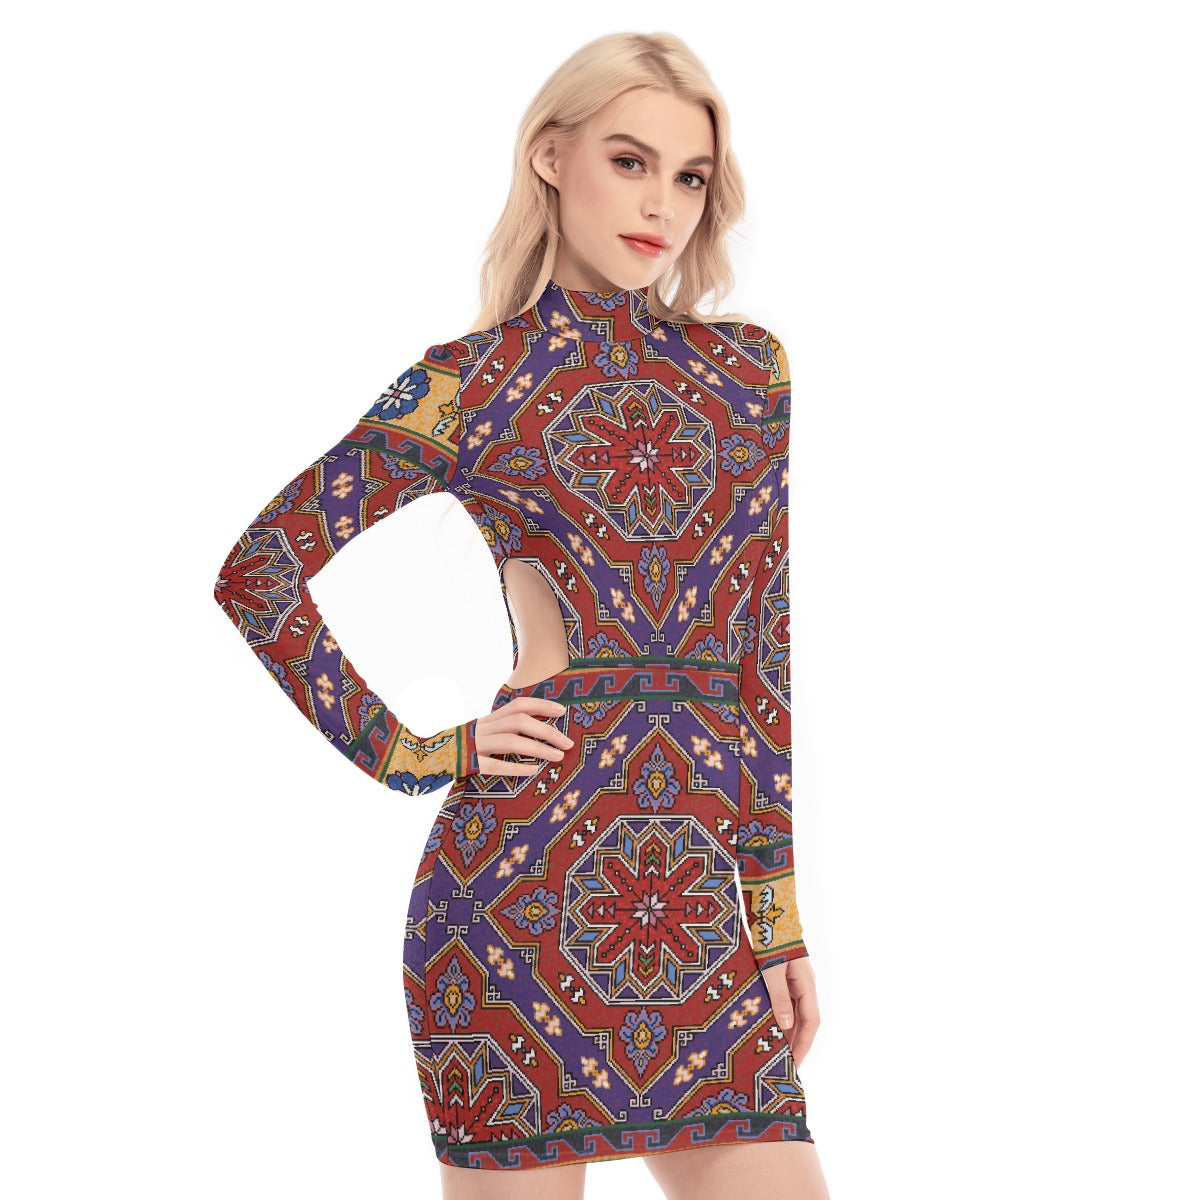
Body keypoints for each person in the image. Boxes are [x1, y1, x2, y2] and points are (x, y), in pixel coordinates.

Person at [213, 30, 830, 1200]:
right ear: (552, 157)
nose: (661, 205)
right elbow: (261, 573)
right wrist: (417, 752)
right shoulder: (468, 383)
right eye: (629, 161)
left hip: (700, 905)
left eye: (690, 176)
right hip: (514, 906)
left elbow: (764, 661)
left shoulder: (750, 376)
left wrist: (777, 915)